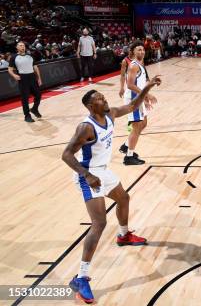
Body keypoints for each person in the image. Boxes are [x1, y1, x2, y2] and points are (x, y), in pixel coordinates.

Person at [62, 75, 161, 304]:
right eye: (99, 98)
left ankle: (124, 235)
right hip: (88, 176)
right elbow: (66, 154)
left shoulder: (110, 114)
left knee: (124, 198)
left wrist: (147, 86)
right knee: (99, 224)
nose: (104, 100)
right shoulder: (86, 127)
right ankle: (81, 278)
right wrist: (86, 175)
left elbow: (133, 105)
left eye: (104, 96)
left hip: (103, 171)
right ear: (90, 106)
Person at [123, 41, 157, 165]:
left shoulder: (140, 64)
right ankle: (129, 157)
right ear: (133, 52)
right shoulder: (133, 65)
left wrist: (145, 98)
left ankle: (126, 145)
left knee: (143, 124)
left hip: (139, 98)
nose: (141, 52)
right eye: (139, 50)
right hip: (133, 99)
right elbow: (130, 85)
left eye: (142, 49)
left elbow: (140, 84)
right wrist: (147, 95)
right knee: (137, 127)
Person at [8, 41, 43, 122]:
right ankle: (27, 116)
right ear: (17, 47)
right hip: (23, 78)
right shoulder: (14, 57)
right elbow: (9, 69)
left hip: (32, 77)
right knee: (25, 98)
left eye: (23, 45)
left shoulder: (30, 56)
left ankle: (34, 109)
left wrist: (39, 78)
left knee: (38, 95)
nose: (22, 47)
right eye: (20, 45)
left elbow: (35, 67)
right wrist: (14, 75)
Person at [118, 46, 135, 155]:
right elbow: (122, 75)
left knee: (139, 121)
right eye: (128, 51)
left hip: (137, 91)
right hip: (129, 92)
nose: (129, 52)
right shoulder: (125, 61)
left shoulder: (137, 60)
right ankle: (128, 144)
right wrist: (121, 87)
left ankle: (127, 144)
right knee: (131, 116)